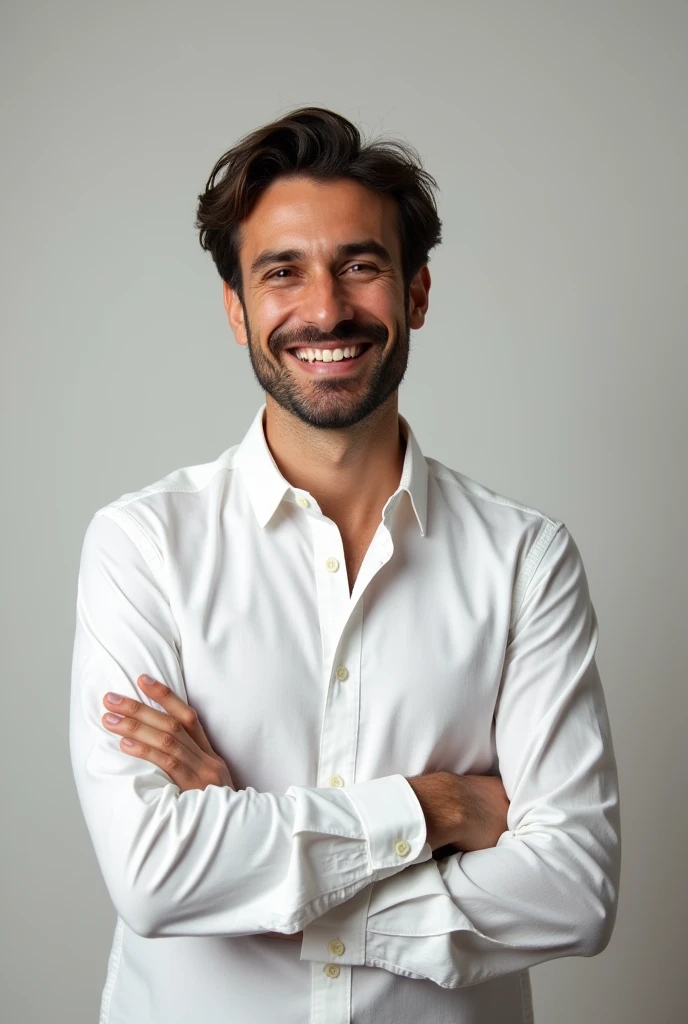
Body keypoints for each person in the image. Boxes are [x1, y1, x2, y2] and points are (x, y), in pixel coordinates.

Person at [69, 106, 621, 1024]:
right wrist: (437, 811)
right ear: (237, 310)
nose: (324, 310)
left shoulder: (526, 559)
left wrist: (254, 858)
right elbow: (156, 878)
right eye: (282, 272)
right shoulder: (143, 547)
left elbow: (574, 889)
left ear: (416, 295)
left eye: (360, 266)